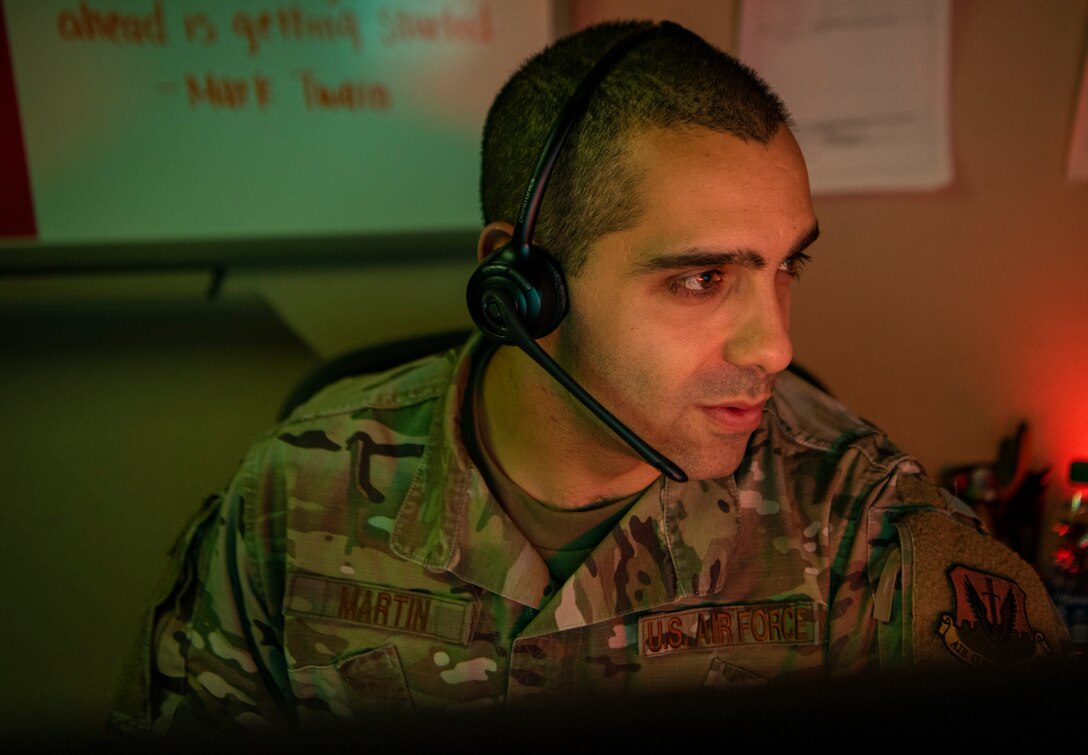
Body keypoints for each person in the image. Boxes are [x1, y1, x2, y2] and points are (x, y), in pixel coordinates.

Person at [104, 19, 1073, 741]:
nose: (773, 345)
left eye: (787, 266)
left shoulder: (861, 526)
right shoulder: (294, 491)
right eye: (701, 278)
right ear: (520, 285)